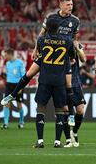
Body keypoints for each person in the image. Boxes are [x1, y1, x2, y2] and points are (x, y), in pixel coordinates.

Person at [1, 0, 79, 104]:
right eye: (68, 5)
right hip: (47, 51)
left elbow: (74, 39)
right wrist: (35, 49)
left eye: (71, 4)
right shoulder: (51, 17)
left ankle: (71, 114)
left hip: (62, 56)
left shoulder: (75, 21)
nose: (70, 7)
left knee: (68, 84)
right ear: (61, 5)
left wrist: (75, 51)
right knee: (29, 74)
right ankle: (13, 95)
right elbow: (42, 34)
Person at [32, 18, 75, 148]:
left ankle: (40, 141)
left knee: (40, 108)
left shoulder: (41, 40)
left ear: (47, 28)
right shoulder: (67, 41)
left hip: (45, 79)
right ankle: (57, 141)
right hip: (59, 80)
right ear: (58, 28)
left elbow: (39, 54)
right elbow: (72, 57)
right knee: (60, 110)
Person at [67, 40, 88, 147]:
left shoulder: (76, 43)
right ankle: (67, 139)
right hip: (63, 82)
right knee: (65, 111)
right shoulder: (59, 43)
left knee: (80, 110)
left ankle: (74, 132)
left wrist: (78, 49)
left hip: (76, 83)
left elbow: (83, 59)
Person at [1, 48, 26, 130]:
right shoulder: (7, 63)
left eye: (6, 55)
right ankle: (5, 123)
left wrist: (21, 87)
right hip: (9, 85)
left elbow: (24, 75)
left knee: (19, 105)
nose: (5, 57)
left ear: (10, 54)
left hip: (18, 85)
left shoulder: (20, 63)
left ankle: (21, 122)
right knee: (6, 103)